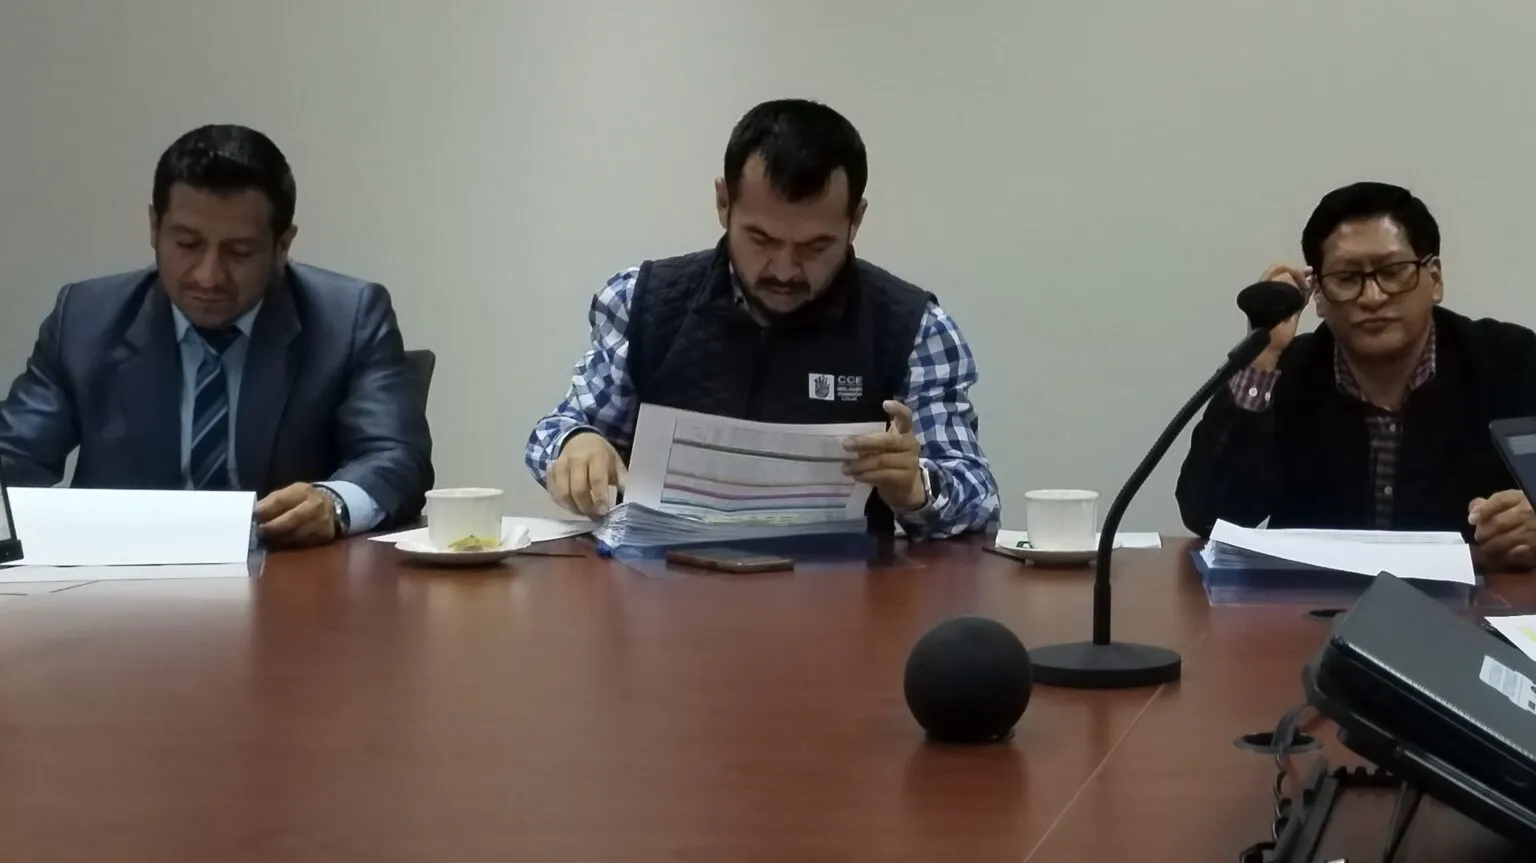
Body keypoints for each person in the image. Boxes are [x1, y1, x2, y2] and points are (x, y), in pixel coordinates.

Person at [525, 99, 999, 538]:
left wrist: (916, 488)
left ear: (855, 219)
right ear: (723, 203)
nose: (785, 270)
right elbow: (556, 430)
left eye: (816, 246)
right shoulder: (643, 301)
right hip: (658, 582)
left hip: (843, 591)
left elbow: (978, 497)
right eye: (762, 239)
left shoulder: (913, 328)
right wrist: (577, 444)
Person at [0, 124, 433, 547]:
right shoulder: (85, 319)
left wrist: (333, 503)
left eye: (239, 252)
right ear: (154, 227)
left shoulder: (348, 318)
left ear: (282, 246)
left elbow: (396, 456)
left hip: (287, 575)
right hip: (119, 576)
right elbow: (16, 451)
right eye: (187, 244)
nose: (208, 277)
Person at [1177, 182, 1536, 569]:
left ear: (1434, 279)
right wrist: (1261, 357)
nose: (1372, 297)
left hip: (1474, 600)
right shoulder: (1285, 373)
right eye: (1347, 278)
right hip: (1314, 601)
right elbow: (1208, 515)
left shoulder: (1513, 360)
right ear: (1318, 296)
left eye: (1393, 272)